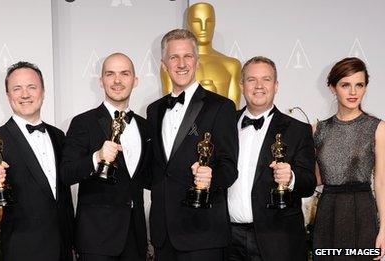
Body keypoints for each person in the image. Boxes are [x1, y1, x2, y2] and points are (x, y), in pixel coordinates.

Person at [147, 28, 238, 260]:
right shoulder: (154, 110)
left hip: (203, 233)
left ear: (197, 61)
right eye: (174, 57)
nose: (181, 63)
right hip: (163, 235)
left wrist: (211, 177)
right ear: (164, 64)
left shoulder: (221, 107)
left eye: (187, 56)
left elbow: (229, 169)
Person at [60, 52, 151, 260]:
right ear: (101, 81)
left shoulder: (146, 127)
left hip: (135, 238)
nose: (117, 80)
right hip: (96, 240)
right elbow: (66, 173)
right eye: (110, 74)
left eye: (124, 74)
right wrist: (96, 157)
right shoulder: (83, 122)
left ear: (135, 81)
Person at [227, 56, 316, 261]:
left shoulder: (297, 130)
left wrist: (291, 178)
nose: (259, 86)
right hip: (228, 238)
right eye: (251, 79)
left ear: (276, 86)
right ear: (241, 85)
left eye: (266, 79)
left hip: (277, 239)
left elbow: (309, 183)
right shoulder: (224, 124)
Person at [0, 61, 75, 261]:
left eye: (32, 87)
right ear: (8, 96)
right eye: (17, 89)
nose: (25, 94)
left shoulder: (59, 136)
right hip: (22, 249)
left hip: (63, 247)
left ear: (43, 92)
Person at [312, 57, 385, 260]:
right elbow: (316, 178)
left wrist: (384, 229)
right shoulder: (319, 130)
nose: (353, 92)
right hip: (327, 213)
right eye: (345, 85)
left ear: (365, 88)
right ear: (333, 88)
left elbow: (380, 182)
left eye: (359, 85)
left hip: (362, 213)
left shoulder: (377, 128)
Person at [161, 2, 242, 107]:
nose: (203, 27)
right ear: (188, 23)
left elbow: (233, 112)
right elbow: (170, 106)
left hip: (220, 121)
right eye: (196, 21)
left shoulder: (231, 65)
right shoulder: (172, 65)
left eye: (208, 21)